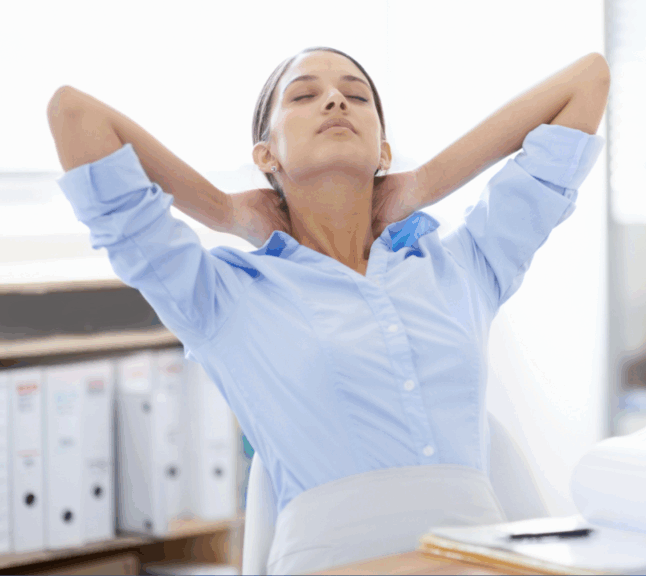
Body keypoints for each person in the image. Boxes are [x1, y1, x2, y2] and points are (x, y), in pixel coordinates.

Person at [47, 46, 609, 574]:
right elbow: (76, 116)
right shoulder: (224, 295)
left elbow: (586, 83)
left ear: (383, 150)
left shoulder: (462, 267)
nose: (336, 101)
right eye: (303, 95)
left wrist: (424, 184)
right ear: (265, 154)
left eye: (356, 95)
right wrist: (221, 210)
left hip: (478, 561)